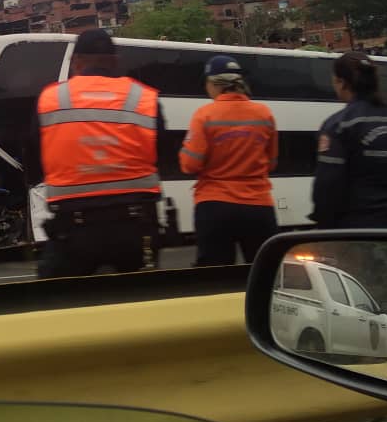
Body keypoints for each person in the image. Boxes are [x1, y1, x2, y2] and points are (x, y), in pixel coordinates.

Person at [30, 29, 165, 279]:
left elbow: (33, 159)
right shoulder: (144, 98)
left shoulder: (51, 98)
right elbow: (163, 153)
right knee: (145, 302)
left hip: (72, 229)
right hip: (136, 228)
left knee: (55, 304)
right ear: (115, 60)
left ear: (76, 61)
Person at [311, 51, 387, 229]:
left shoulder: (339, 125)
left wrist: (325, 227)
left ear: (341, 83)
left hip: (361, 230)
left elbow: (327, 186)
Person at [179, 55, 279, 266]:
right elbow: (271, 163)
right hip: (258, 206)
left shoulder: (204, 115)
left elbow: (189, 165)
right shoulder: (264, 114)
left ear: (214, 84)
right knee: (264, 275)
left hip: (215, 207)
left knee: (216, 279)